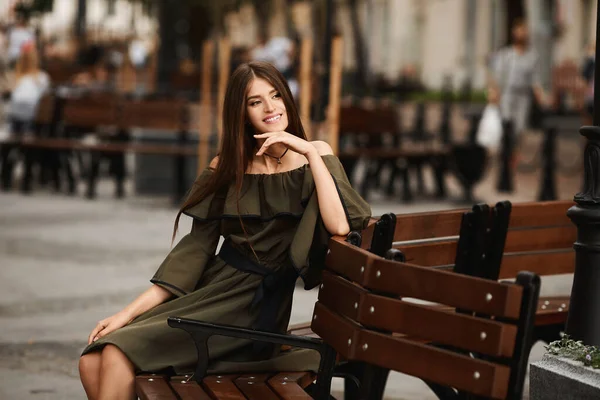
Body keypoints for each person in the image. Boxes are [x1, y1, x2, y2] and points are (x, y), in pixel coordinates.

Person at [78, 61, 371, 399]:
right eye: (255, 101)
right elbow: (192, 254)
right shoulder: (228, 166)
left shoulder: (316, 154)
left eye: (276, 95)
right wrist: (126, 314)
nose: (271, 107)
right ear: (242, 112)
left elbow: (340, 224)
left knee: (115, 353)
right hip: (210, 296)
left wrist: (307, 150)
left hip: (253, 312)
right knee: (94, 359)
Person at [1, 41, 50, 190]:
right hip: (33, 125)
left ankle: (6, 177)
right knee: (21, 145)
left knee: (9, 145)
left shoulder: (15, 79)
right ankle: (25, 179)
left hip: (16, 123)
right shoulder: (42, 78)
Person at [488, 18, 549, 138]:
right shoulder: (506, 54)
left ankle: (515, 153)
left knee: (520, 127)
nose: (522, 33)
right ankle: (507, 152)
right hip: (507, 94)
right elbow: (498, 76)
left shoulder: (532, 57)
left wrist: (541, 97)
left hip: (523, 96)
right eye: (519, 30)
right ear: (514, 32)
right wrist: (494, 92)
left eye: (524, 30)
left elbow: (535, 80)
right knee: (506, 123)